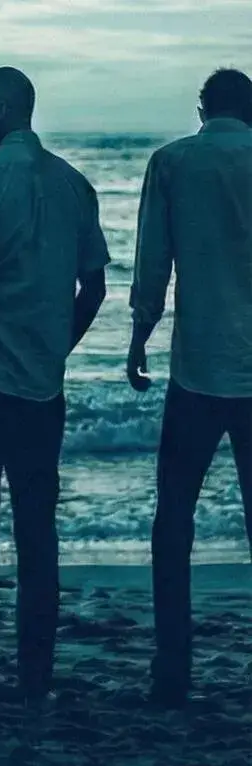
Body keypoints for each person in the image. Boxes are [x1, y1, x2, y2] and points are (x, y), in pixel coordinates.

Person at [0, 67, 111, 708]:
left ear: (2, 108)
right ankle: (35, 678)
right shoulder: (74, 184)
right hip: (44, 385)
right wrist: (58, 345)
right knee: (38, 535)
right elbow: (94, 286)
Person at [127, 68, 252, 708]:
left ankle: (171, 667)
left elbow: (153, 262)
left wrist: (138, 337)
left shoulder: (173, 162)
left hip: (197, 368)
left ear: (201, 109)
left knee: (174, 519)